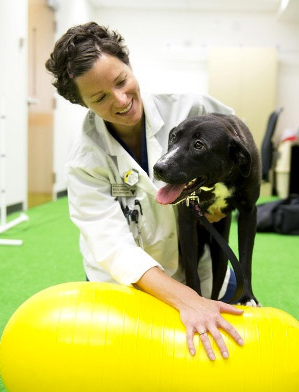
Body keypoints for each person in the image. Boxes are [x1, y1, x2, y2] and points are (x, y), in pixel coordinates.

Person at [46, 22, 246, 361]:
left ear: (129, 65)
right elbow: (112, 247)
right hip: (124, 284)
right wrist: (186, 300)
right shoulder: (86, 161)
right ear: (82, 103)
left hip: (196, 267)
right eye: (100, 97)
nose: (122, 101)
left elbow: (240, 146)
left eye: (122, 81)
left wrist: (225, 195)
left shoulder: (190, 108)